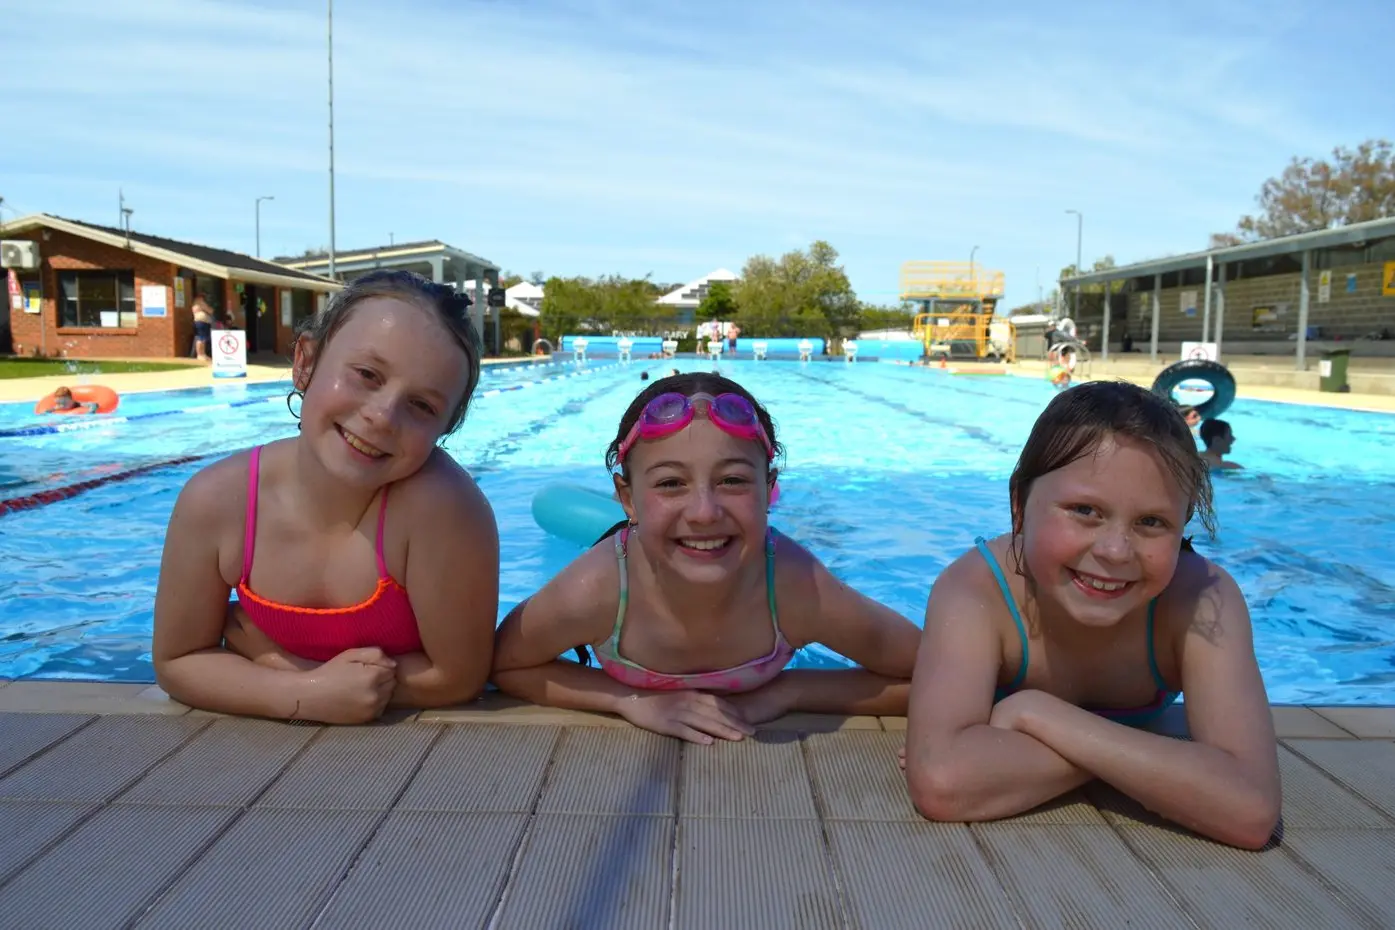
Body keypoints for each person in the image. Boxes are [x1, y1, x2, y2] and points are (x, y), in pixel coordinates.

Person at [902, 380, 1279, 849]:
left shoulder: (1202, 599)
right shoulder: (976, 591)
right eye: (1084, 510)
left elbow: (1249, 810)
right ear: (1019, 506)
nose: (1116, 550)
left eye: (1151, 522)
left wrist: (1034, 712)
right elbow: (943, 781)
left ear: (1182, 525)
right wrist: (1167, 770)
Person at [492, 373, 921, 743]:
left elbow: (935, 672)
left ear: (768, 491)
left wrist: (787, 692)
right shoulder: (600, 589)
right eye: (670, 483)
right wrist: (630, 701)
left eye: (733, 480)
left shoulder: (795, 588)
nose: (704, 512)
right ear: (628, 499)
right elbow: (506, 665)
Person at [153, 270, 500, 724]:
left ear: (444, 431)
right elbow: (178, 659)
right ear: (305, 363)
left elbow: (457, 676)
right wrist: (301, 693)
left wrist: (286, 670)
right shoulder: (218, 502)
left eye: (422, 406)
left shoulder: (443, 511)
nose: (381, 416)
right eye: (367, 374)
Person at [190, 295, 216, 362]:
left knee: (203, 339)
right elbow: (210, 310)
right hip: (201, 322)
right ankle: (200, 354)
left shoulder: (199, 303)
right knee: (201, 338)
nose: (204, 298)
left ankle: (203, 354)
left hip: (204, 322)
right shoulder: (199, 303)